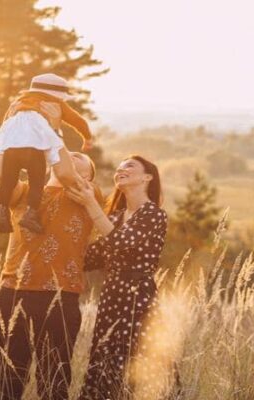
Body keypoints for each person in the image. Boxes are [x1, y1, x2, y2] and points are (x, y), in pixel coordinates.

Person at [0, 151, 103, 400]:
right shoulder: (26, 192)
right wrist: (10, 136)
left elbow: (65, 172)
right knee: (8, 379)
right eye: (68, 153)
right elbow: (0, 175)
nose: (72, 154)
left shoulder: (87, 193)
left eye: (80, 158)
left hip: (60, 296)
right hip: (13, 292)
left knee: (54, 380)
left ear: (87, 175)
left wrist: (50, 135)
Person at [67, 155, 180, 399]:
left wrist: (91, 205)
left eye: (129, 166)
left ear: (147, 177)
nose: (121, 169)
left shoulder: (153, 215)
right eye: (119, 167)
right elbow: (91, 258)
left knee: (139, 360)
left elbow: (120, 243)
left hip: (138, 297)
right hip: (111, 298)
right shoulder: (116, 217)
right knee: (105, 361)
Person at [0, 73, 94, 234]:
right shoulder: (56, 103)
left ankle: (1, 212)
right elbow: (78, 121)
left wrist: (7, 140)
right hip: (33, 149)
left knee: (7, 181)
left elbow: (6, 123)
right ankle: (31, 215)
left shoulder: (17, 104)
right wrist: (87, 137)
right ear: (59, 95)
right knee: (36, 182)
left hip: (12, 148)